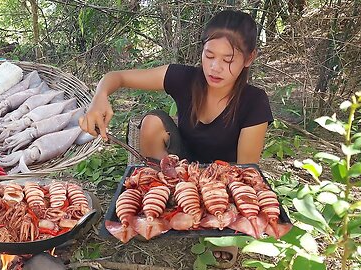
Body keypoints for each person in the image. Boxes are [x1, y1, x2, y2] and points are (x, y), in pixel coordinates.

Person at [79, 9, 273, 268]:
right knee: (151, 123)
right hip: (180, 165)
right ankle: (158, 198)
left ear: (249, 58)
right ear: (201, 50)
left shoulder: (254, 102)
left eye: (229, 59)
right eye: (209, 55)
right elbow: (117, 77)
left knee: (226, 235)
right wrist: (98, 99)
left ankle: (224, 227)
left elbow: (245, 170)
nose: (215, 67)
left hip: (223, 177)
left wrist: (219, 200)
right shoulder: (184, 78)